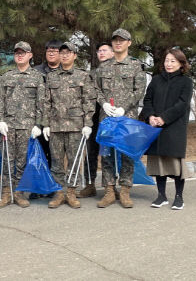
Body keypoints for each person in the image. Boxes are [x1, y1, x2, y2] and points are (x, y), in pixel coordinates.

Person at [93, 29, 146, 208]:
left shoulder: (135, 66)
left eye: (122, 40)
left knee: (126, 154)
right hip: (106, 117)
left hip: (127, 117)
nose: (118, 43)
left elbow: (139, 90)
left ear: (129, 43)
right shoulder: (104, 66)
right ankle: (109, 190)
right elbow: (96, 89)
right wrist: (103, 104)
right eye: (115, 40)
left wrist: (125, 107)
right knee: (106, 154)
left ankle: (124, 190)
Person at [0, 41, 48, 209]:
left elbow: (42, 102)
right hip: (8, 126)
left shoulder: (37, 77)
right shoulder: (6, 76)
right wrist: (1, 120)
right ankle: (6, 193)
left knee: (22, 161)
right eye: (17, 52)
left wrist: (39, 124)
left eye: (23, 53)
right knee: (6, 160)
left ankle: (19, 193)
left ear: (30, 55)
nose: (19, 55)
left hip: (27, 126)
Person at [44, 42, 96, 209]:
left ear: (75, 55)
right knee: (57, 162)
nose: (65, 55)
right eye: (62, 52)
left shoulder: (83, 76)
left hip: (76, 126)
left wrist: (88, 123)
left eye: (68, 52)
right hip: (56, 125)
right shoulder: (51, 77)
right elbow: (46, 102)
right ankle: (59, 192)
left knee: (74, 161)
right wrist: (45, 124)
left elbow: (89, 101)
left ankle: (71, 192)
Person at [142, 48, 193, 210]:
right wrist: (150, 116)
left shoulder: (186, 82)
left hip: (174, 127)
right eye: (167, 60)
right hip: (155, 127)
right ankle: (161, 195)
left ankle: (179, 197)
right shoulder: (156, 80)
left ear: (181, 63)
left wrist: (164, 118)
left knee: (176, 165)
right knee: (158, 164)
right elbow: (147, 100)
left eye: (173, 61)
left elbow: (182, 105)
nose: (169, 64)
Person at [78, 42, 114, 199]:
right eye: (99, 51)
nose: (101, 53)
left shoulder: (117, 72)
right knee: (90, 152)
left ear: (113, 53)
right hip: (92, 117)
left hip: (109, 118)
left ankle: (110, 186)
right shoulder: (91, 74)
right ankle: (89, 183)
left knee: (108, 153)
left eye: (105, 50)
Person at [31, 40, 62, 196]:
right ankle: (37, 187)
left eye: (55, 50)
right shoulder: (36, 71)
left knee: (55, 155)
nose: (51, 53)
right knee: (39, 153)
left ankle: (52, 186)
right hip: (38, 120)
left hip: (58, 120)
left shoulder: (65, 71)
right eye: (49, 50)